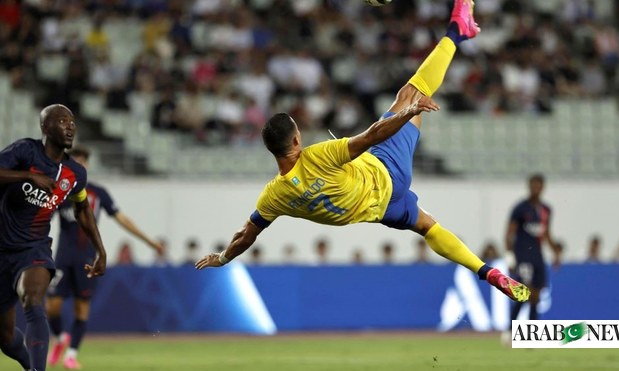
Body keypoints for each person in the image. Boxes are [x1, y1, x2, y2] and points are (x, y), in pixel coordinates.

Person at [195, 0, 530, 303]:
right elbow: (372, 136)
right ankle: (458, 28)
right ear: (296, 142)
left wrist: (222, 257)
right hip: (387, 170)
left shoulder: (274, 197)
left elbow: (245, 236)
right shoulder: (318, 156)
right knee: (410, 92)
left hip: (382, 210)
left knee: (428, 227)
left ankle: (487, 271)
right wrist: (408, 113)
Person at [0, 104, 106, 371]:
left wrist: (101, 250)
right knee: (4, 339)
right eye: (63, 121)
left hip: (35, 248)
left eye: (72, 121)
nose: (71, 126)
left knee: (33, 298)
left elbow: (82, 208)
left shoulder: (75, 174)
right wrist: (27, 175)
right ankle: (29, 365)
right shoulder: (25, 151)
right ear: (46, 127)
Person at [45, 146, 164, 369]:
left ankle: (71, 355)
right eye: (75, 161)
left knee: (82, 308)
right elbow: (43, 218)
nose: (79, 165)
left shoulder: (98, 193)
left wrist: (148, 241)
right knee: (52, 307)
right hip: (62, 257)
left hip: (88, 258)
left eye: (83, 161)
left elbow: (121, 218)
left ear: (87, 165)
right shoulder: (61, 192)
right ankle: (61, 338)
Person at [505, 174, 562, 322]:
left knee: (535, 295)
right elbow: (509, 234)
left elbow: (547, 234)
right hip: (523, 256)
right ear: (529, 186)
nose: (536, 189)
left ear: (543, 187)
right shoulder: (520, 209)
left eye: (538, 186)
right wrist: (510, 258)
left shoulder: (546, 210)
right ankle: (512, 330)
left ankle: (529, 332)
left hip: (537, 257)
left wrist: (555, 252)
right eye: (533, 185)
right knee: (526, 293)